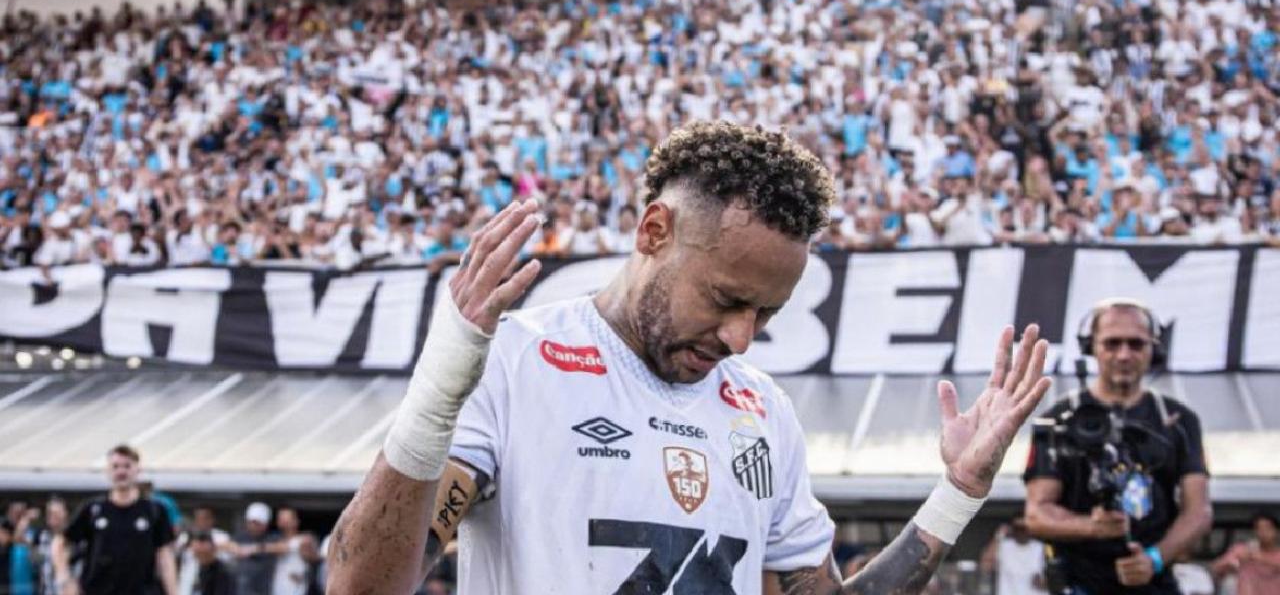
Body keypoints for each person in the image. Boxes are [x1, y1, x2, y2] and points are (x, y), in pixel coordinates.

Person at [327, 121, 1052, 594]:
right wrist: (436, 396)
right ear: (653, 232)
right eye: (725, 299)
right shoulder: (516, 362)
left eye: (766, 313)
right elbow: (360, 587)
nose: (741, 338)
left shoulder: (763, 409)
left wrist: (958, 492)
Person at [1024, 298, 1213, 594]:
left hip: (1155, 584)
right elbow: (1036, 514)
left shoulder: (1178, 420)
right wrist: (1092, 527)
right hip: (1080, 584)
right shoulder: (1058, 419)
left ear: (1153, 349)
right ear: (1092, 347)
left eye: (1136, 344)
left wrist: (1154, 559)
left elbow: (1198, 511)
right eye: (1112, 343)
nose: (1124, 354)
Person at [53, 445, 179, 595]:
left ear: (137, 470)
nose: (121, 471)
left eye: (127, 466)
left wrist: (173, 592)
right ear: (107, 471)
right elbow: (60, 542)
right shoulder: (93, 509)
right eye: (115, 466)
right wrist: (64, 577)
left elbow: (165, 556)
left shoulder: (154, 510)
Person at [1211, 513, 1280, 595]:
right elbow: (1215, 568)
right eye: (1259, 528)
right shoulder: (1243, 550)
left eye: (1267, 528)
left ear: (1277, 531)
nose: (1263, 532)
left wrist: (1258, 558)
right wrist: (1232, 563)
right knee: (1229, 582)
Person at [981, 518, 1048, 595]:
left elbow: (1049, 579)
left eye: (1025, 528)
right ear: (1012, 529)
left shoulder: (1040, 547)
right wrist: (999, 535)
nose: (1021, 532)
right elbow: (985, 566)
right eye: (1018, 528)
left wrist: (1042, 583)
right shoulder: (1003, 546)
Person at [230, 504, 277, 595]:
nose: (253, 526)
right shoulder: (241, 536)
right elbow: (227, 544)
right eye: (251, 522)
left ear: (265, 524)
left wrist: (254, 549)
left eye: (258, 523)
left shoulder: (271, 537)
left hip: (262, 590)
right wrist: (237, 549)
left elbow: (282, 547)